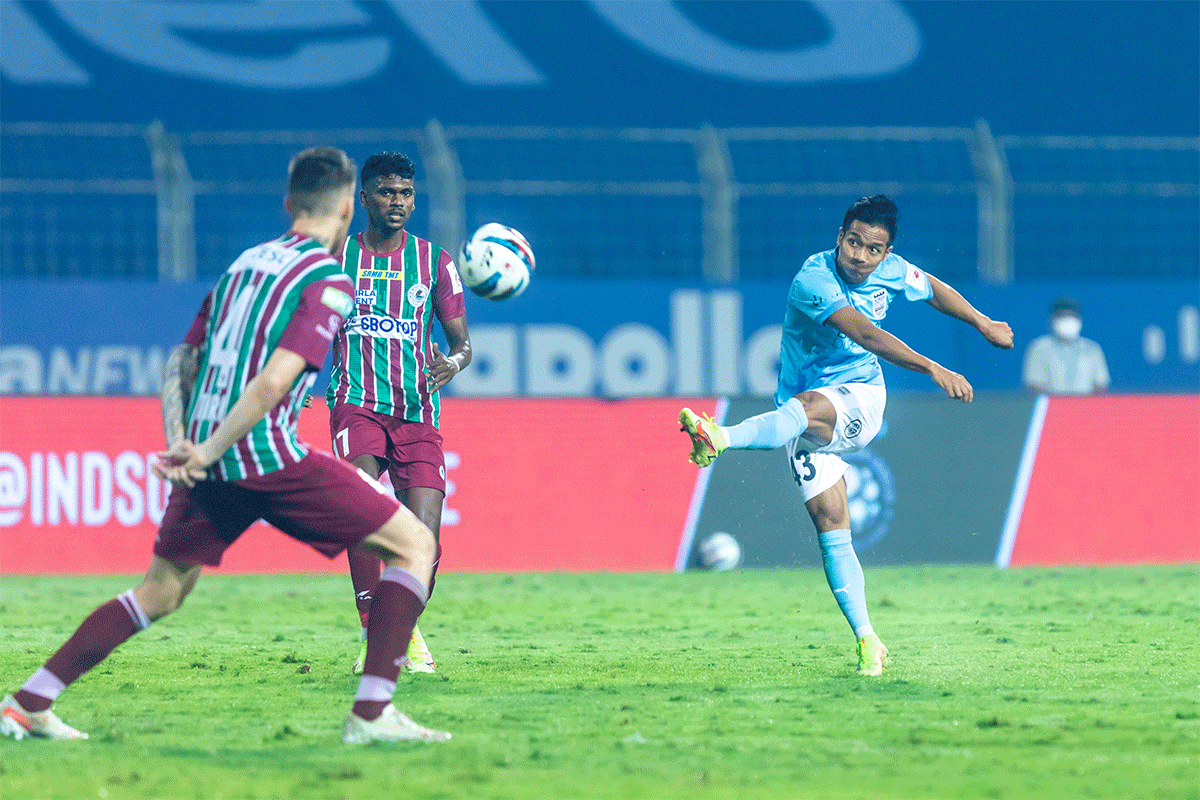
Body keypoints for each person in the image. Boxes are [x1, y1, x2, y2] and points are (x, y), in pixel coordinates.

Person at [1, 147, 449, 744]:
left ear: (289, 204)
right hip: (264, 455)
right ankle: (371, 716)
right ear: (349, 207)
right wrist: (209, 450)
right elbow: (273, 383)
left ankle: (27, 702)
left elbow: (181, 361)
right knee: (415, 544)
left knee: (160, 592)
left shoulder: (244, 265)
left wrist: (182, 444)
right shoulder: (328, 279)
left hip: (211, 458)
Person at [679, 195, 1013, 676]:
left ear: (886, 252)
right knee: (831, 526)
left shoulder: (893, 270)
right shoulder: (813, 280)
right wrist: (934, 367)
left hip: (859, 398)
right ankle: (868, 640)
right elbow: (866, 333)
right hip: (798, 414)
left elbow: (932, 288)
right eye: (852, 242)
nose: (859, 255)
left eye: (872, 249)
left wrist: (980, 321)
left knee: (810, 408)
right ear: (839, 237)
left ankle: (719, 437)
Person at [326, 151, 471, 675]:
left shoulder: (435, 263)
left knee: (424, 540)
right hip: (356, 404)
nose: (398, 202)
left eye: (406, 193)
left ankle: (400, 628)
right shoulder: (336, 257)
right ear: (364, 199)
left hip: (417, 412)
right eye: (387, 192)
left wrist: (451, 364)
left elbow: (462, 345)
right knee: (361, 508)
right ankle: (374, 630)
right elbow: (306, 326)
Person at [1022, 297, 1109, 394]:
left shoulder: (1092, 348)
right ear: (1052, 320)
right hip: (1053, 405)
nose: (1067, 321)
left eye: (1071, 316)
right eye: (1062, 316)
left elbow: (1101, 384)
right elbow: (1034, 385)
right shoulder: (1039, 348)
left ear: (1079, 320)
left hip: (1086, 405)